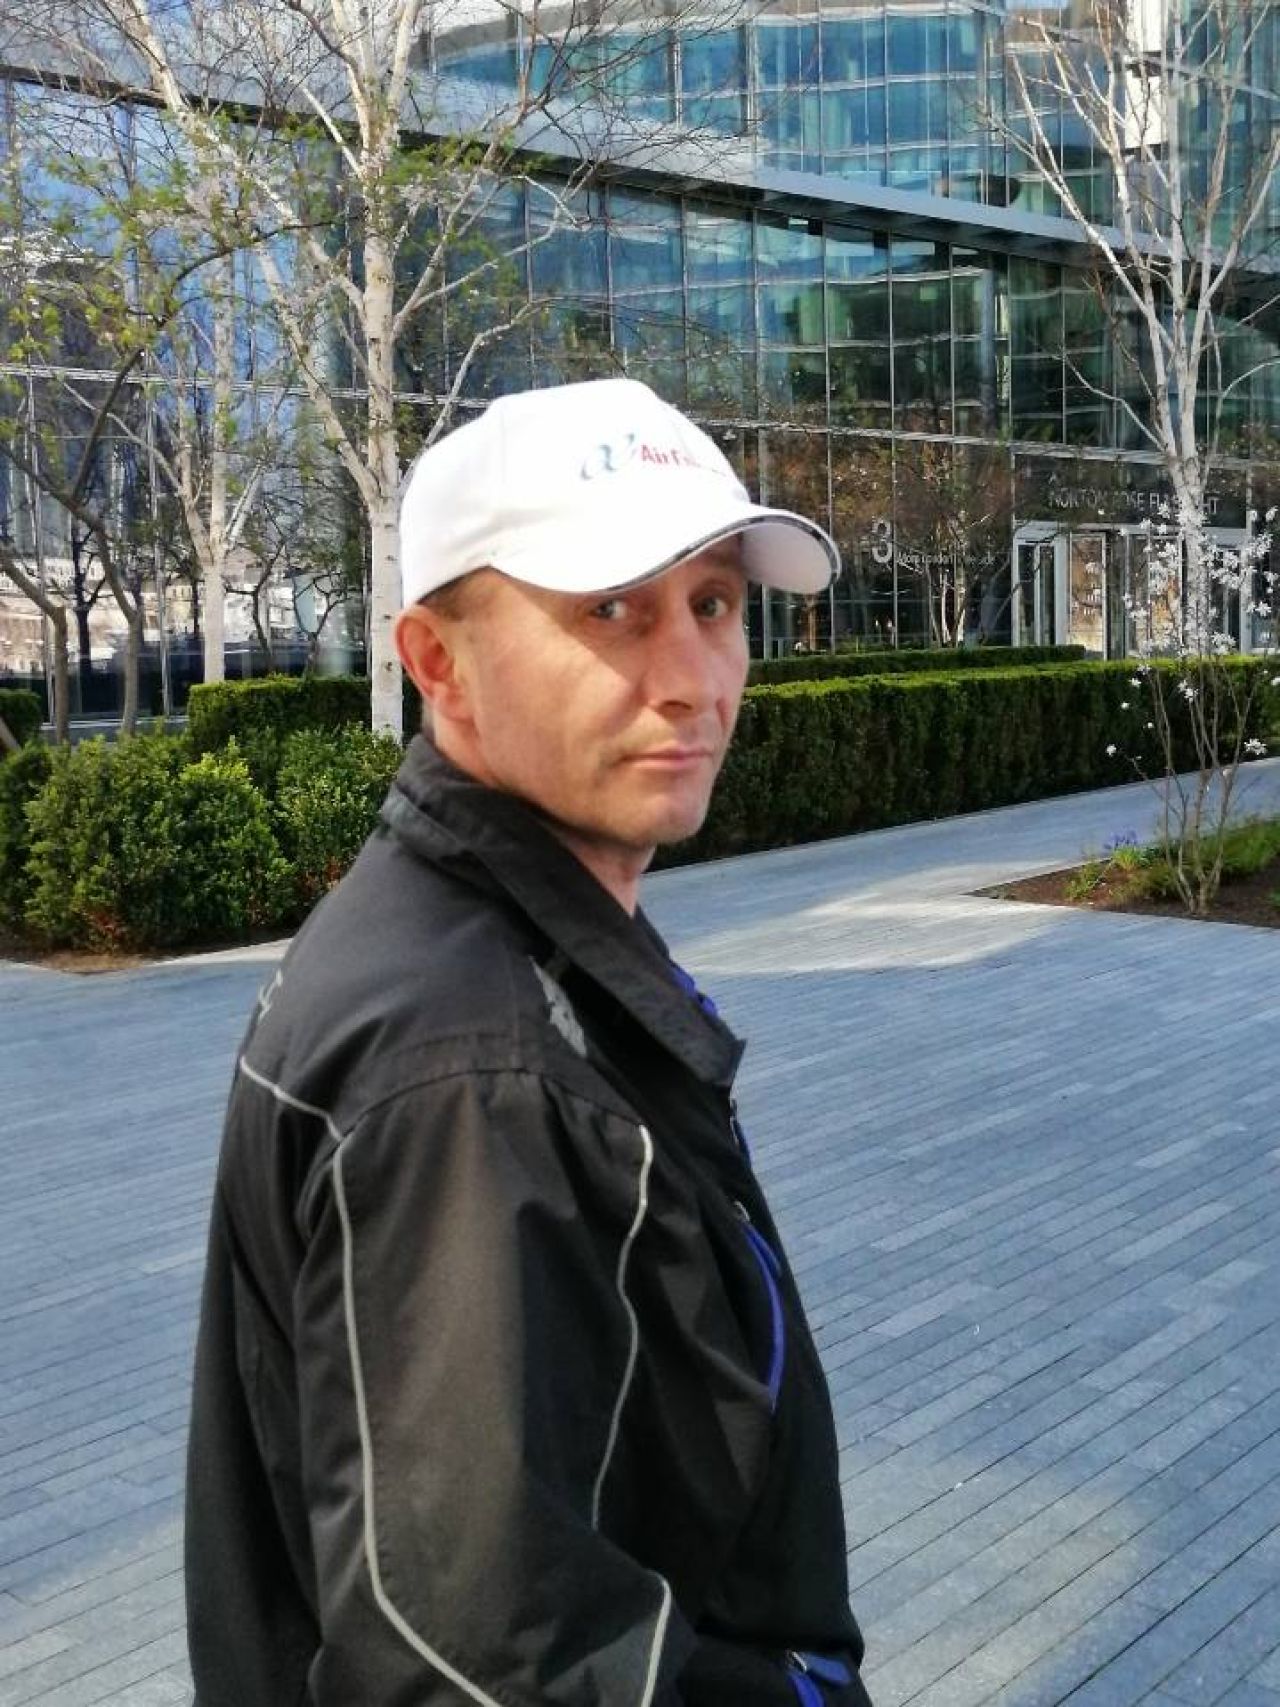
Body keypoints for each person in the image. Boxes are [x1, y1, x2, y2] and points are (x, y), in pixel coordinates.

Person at [184, 377, 874, 1707]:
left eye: (714, 604)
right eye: (611, 609)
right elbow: (474, 1658)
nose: (693, 680)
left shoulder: (482, 954)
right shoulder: (473, 1074)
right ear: (437, 661)